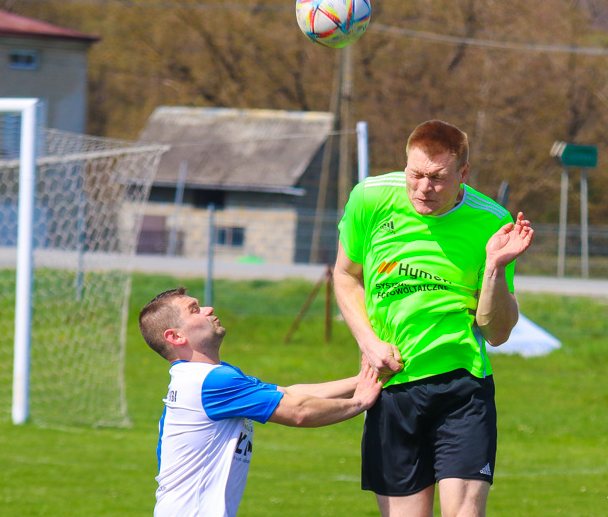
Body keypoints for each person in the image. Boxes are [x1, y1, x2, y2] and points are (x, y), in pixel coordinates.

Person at [333, 119, 534, 517]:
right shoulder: (369, 198)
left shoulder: (492, 222)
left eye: (438, 178)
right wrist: (369, 343)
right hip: (391, 385)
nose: (424, 188)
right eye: (415, 174)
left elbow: (497, 333)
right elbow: (345, 274)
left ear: (463, 173)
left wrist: (494, 268)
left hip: (462, 387)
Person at [138, 287, 384, 517]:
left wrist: (361, 380)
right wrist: (360, 402)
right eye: (195, 309)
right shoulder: (210, 381)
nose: (208, 310)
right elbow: (299, 411)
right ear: (175, 336)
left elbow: (289, 394)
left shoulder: (206, 378)